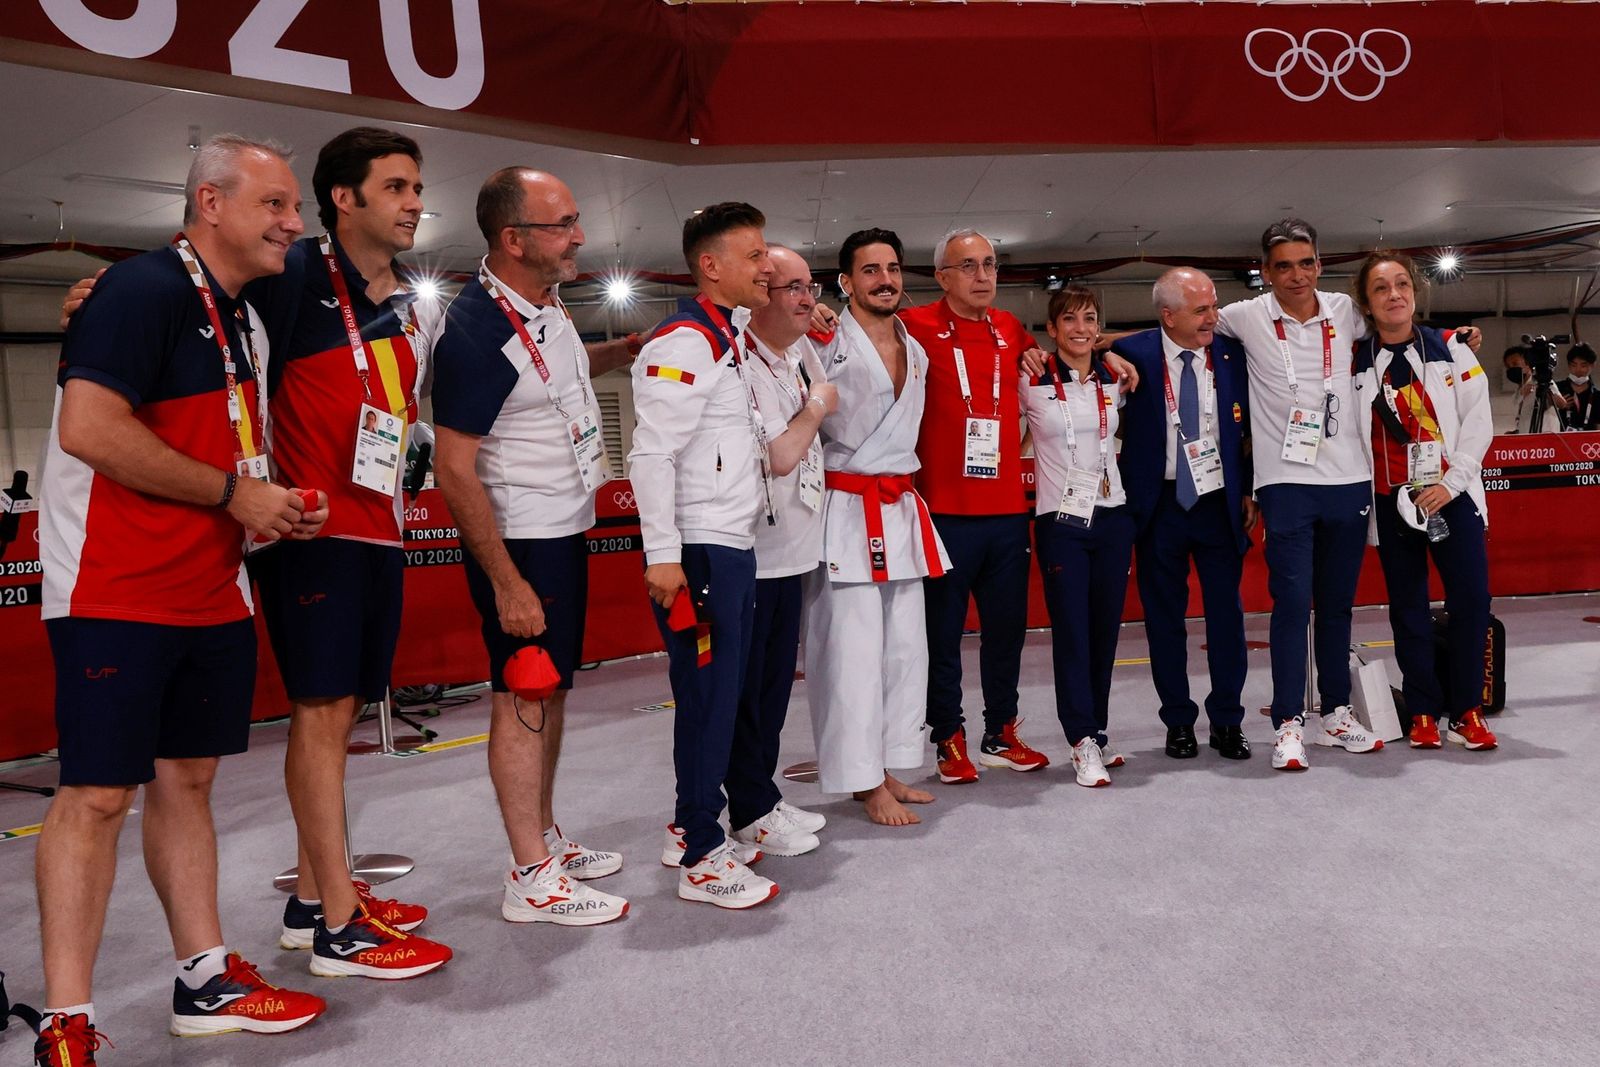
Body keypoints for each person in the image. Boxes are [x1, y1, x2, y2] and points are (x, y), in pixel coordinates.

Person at [61, 127, 455, 976]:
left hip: (379, 523)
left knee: (341, 713)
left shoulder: (406, 297)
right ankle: (335, 920)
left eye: (417, 186)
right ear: (343, 199)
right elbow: (194, 293)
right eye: (395, 186)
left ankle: (319, 896)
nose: (415, 201)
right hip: (307, 531)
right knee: (318, 719)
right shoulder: (295, 273)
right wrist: (98, 297)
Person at [32, 135, 327, 1065]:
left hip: (212, 583)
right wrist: (231, 493)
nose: (293, 223)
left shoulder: (245, 315)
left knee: (189, 781)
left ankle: (204, 977)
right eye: (276, 205)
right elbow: (88, 429)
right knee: (97, 794)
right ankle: (66, 1022)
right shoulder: (143, 289)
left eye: (296, 208)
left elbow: (222, 445)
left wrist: (268, 503)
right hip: (115, 585)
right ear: (210, 202)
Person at [431, 167, 634, 926]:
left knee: (548, 695)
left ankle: (545, 835)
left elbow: (554, 383)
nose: (579, 235)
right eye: (562, 224)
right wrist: (507, 581)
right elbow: (454, 469)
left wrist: (629, 349)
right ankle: (529, 874)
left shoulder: (545, 307)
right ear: (513, 239)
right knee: (522, 696)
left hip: (563, 528)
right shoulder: (478, 332)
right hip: (520, 540)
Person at [628, 202, 780, 909]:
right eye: (753, 256)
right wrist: (663, 554)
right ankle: (701, 851)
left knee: (712, 696)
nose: (767, 266)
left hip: (731, 542)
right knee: (710, 699)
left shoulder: (731, 335)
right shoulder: (687, 341)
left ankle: (693, 826)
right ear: (711, 265)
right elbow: (650, 453)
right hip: (700, 551)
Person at [1214, 217, 1389, 771]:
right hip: (1286, 483)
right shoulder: (1243, 317)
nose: (1296, 275)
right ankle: (1289, 721)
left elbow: (1399, 322)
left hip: (1348, 479)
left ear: (1319, 264)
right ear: (1265, 272)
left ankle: (1336, 712)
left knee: (1337, 606)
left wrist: (1457, 338)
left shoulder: (1347, 311)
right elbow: (1176, 328)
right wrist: (1101, 347)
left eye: (1305, 263)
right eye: (1283, 266)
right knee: (1291, 605)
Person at [804, 228, 948, 825]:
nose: (885, 279)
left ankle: (888, 765)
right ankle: (861, 782)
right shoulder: (821, 337)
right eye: (870, 270)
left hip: (900, 508)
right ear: (845, 282)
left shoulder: (915, 344)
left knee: (905, 651)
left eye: (892, 268)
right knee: (852, 655)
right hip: (846, 508)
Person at [895, 229, 1050, 782]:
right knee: (942, 634)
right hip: (944, 511)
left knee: (1007, 630)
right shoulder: (913, 326)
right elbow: (857, 333)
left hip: (1008, 509)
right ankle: (948, 736)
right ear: (941, 277)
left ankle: (1000, 731)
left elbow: (1053, 359)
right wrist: (821, 312)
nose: (982, 276)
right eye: (968, 266)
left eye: (989, 264)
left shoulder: (1010, 327)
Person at [1352, 251, 1499, 751]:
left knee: (1472, 601)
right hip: (1393, 503)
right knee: (1407, 608)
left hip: (1451, 497)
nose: (1394, 295)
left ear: (1414, 292)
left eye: (1401, 285)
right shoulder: (1355, 360)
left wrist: (1452, 484)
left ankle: (1466, 709)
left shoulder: (1452, 349)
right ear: (1367, 304)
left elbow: (1479, 423)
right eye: (1380, 289)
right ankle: (1422, 711)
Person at [1112, 268, 1256, 763]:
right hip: (1160, 508)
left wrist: (1250, 488)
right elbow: (1079, 346)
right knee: (1164, 621)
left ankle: (1228, 720)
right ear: (1167, 316)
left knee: (1227, 620)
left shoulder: (1233, 354)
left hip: (1219, 505)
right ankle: (1178, 721)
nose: (1213, 318)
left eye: (1214, 306)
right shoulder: (1134, 354)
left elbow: (1256, 424)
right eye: (1201, 310)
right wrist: (1103, 350)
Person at [721, 245, 837, 856]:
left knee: (770, 688)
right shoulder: (742, 360)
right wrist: (818, 407)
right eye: (789, 288)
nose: (804, 299)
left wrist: (816, 332)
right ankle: (745, 808)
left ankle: (760, 795)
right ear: (757, 295)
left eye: (809, 287)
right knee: (745, 691)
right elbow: (780, 453)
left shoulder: (795, 354)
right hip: (755, 550)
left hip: (795, 548)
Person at [1021, 285, 1135, 786]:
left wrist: (1114, 348)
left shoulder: (1117, 377)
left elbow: (1155, 339)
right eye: (1069, 320)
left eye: (1090, 319)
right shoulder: (1032, 379)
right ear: (1052, 329)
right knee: (1072, 630)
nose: (1081, 329)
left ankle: (1099, 733)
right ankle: (1080, 737)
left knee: (1105, 630)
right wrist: (1027, 353)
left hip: (1113, 514)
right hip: (1061, 520)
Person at [1553, 342, 1600, 431]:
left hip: (1588, 443)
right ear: (1568, 365)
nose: (1578, 370)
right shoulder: (1557, 389)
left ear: (1592, 365)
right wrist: (1556, 405)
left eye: (1583, 365)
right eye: (1573, 365)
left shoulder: (1597, 396)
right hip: (1559, 440)